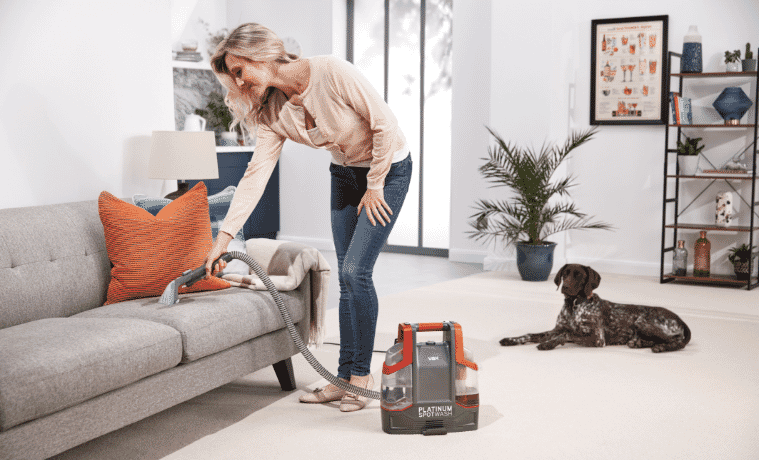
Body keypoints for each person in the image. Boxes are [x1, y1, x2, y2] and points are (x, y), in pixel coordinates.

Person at [203, 23, 412, 412]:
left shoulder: (330, 71)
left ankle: (361, 378)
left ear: (260, 55)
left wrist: (377, 183)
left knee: (356, 273)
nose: (238, 83)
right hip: (346, 176)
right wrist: (223, 238)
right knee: (347, 278)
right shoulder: (271, 111)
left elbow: (384, 123)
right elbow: (255, 175)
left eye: (239, 71)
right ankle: (343, 377)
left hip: (388, 171)